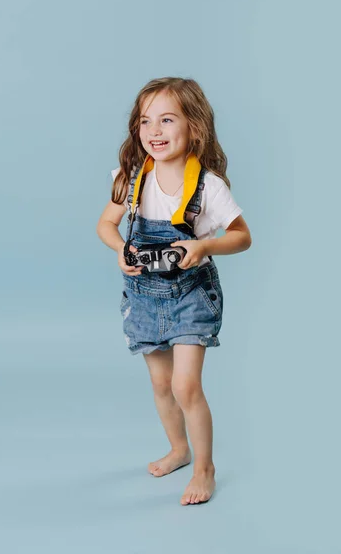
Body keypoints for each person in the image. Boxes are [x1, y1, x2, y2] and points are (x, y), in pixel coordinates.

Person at [96, 77, 252, 506]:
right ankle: (179, 450)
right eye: (146, 121)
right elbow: (105, 226)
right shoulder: (131, 177)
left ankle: (205, 468)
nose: (155, 131)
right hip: (143, 295)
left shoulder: (207, 185)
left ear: (194, 127)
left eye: (167, 119)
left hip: (190, 295)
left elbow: (242, 237)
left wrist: (203, 245)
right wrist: (121, 250)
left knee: (186, 386)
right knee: (162, 385)